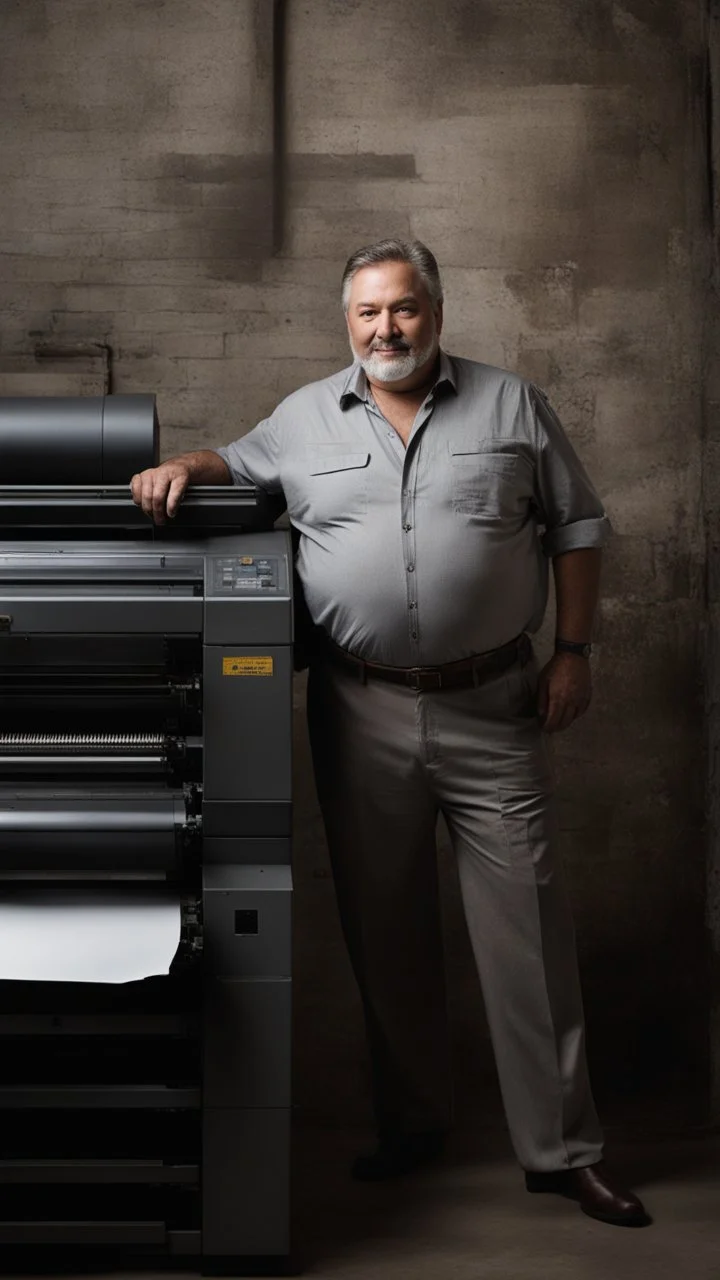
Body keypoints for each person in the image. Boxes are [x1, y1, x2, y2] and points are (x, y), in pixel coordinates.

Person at [131, 238, 649, 1228]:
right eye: (367, 313)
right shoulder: (300, 418)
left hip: (495, 705)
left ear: (437, 312)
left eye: (403, 309)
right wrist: (178, 467)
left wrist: (574, 650)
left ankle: (565, 1151)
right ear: (348, 321)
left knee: (529, 935)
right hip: (358, 705)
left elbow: (577, 528)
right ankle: (413, 1123)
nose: (386, 329)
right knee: (386, 927)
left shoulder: (512, 406)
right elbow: (231, 462)